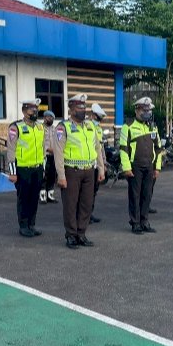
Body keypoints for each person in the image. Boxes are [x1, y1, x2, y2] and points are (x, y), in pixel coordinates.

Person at [54, 93, 105, 248]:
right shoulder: (63, 127)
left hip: (89, 171)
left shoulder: (90, 126)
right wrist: (61, 175)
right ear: (71, 109)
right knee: (71, 204)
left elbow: (98, 148)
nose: (82, 110)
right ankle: (71, 235)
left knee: (86, 204)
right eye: (79, 107)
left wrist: (101, 169)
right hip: (72, 171)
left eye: (84, 107)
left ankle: (81, 234)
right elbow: (58, 152)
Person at [120, 97, 162, 234]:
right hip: (135, 166)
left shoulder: (153, 126)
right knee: (135, 195)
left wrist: (157, 167)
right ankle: (135, 223)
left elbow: (158, 148)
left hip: (149, 166)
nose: (147, 112)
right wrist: (126, 168)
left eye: (149, 110)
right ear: (137, 110)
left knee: (147, 195)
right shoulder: (128, 126)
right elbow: (123, 148)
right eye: (144, 110)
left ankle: (145, 221)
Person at [7, 98, 45, 237]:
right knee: (24, 198)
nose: (34, 112)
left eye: (36, 109)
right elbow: (11, 150)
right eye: (31, 109)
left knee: (34, 198)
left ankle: (32, 225)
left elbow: (43, 148)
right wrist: (12, 172)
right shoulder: (15, 127)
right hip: (23, 169)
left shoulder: (40, 127)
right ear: (24, 111)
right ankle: (23, 226)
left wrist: (43, 168)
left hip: (37, 168)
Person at [89, 103, 106, 223]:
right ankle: (84, 215)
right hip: (88, 164)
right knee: (86, 193)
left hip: (97, 164)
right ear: (92, 115)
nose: (99, 120)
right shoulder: (86, 126)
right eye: (97, 118)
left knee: (93, 191)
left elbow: (101, 148)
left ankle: (89, 213)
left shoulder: (98, 129)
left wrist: (103, 164)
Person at [40, 110, 58, 205]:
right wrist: (48, 149)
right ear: (44, 117)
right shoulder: (40, 128)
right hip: (44, 155)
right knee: (44, 175)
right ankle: (42, 196)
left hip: (53, 156)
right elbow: (40, 142)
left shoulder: (55, 129)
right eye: (48, 117)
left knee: (52, 175)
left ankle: (50, 195)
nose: (50, 119)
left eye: (51, 118)